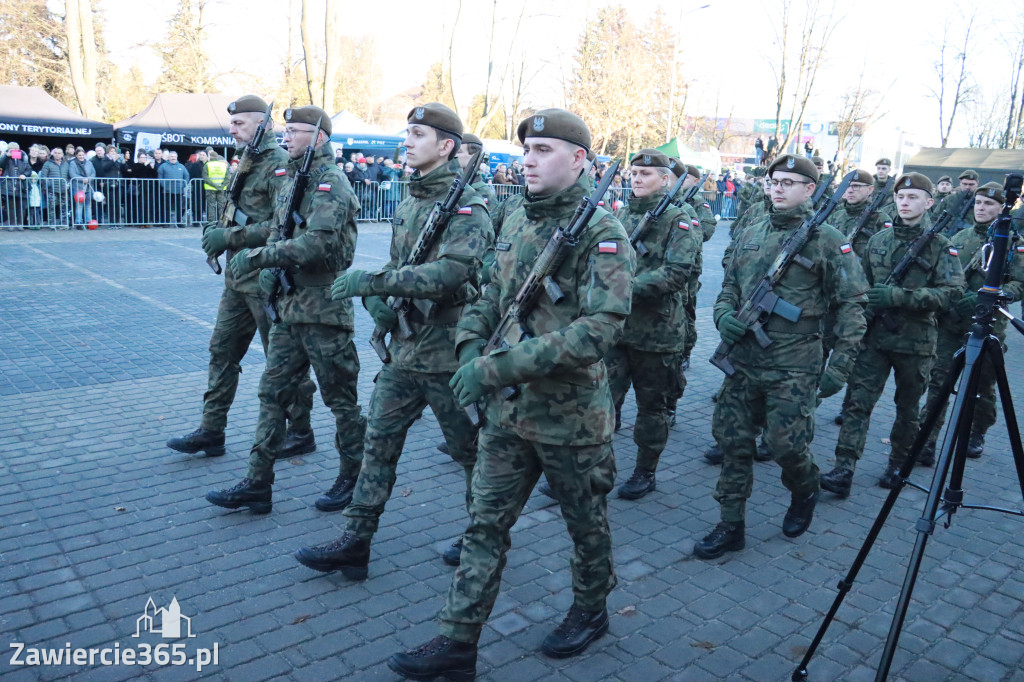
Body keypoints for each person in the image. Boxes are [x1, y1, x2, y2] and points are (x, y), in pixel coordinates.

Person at [388, 109, 634, 680]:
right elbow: (488, 293)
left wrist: (497, 368)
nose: (528, 159)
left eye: (544, 149)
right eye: (526, 148)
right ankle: (457, 642)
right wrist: (471, 346)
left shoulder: (604, 233)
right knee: (484, 524)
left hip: (569, 417)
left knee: (586, 524)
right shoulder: (517, 216)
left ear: (579, 160)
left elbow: (599, 331)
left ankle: (591, 608)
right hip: (506, 415)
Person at [293, 102, 493, 577]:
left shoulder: (470, 206)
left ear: (446, 146)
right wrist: (377, 296)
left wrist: (375, 284)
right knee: (378, 442)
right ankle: (356, 540)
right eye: (407, 132)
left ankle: (484, 536)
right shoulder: (411, 200)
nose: (407, 141)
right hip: (405, 353)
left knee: (472, 453)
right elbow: (402, 267)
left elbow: (451, 274)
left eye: (418, 134)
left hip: (448, 354)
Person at [694, 154, 869, 560]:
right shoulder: (752, 231)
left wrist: (839, 368)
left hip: (796, 363)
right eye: (774, 181)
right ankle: (730, 523)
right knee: (733, 442)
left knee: (785, 446)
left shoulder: (828, 240)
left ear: (810, 190)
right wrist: (722, 315)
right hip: (744, 360)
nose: (777, 188)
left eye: (789, 182)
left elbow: (852, 307)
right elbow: (731, 288)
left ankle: (805, 487)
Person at [206, 105, 365, 515]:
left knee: (340, 400)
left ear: (320, 138)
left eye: (296, 131)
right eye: (287, 130)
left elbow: (317, 245)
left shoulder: (330, 183)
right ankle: (258, 482)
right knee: (272, 394)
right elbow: (279, 230)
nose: (287, 137)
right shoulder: (296, 177)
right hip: (289, 306)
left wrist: (259, 257)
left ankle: (354, 477)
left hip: (324, 310)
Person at [168, 95, 317, 463]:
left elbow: (283, 226)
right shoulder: (247, 160)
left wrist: (230, 237)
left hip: (266, 280)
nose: (232, 129)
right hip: (237, 279)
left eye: (240, 124)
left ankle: (300, 430)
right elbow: (238, 210)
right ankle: (211, 429)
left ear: (261, 125)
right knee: (222, 351)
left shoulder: (280, 165)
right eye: (232, 123)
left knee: (282, 364)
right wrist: (218, 229)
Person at [822, 172, 963, 496]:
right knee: (857, 403)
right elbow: (862, 288)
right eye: (900, 196)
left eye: (913, 197)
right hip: (875, 340)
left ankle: (899, 464)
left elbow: (951, 294)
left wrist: (900, 297)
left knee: (908, 408)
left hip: (916, 342)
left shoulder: (942, 246)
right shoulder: (878, 241)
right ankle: (844, 469)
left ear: (929, 202)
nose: (905, 202)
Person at [606, 149, 699, 500]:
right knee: (601, 402)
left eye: (646, 174)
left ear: (665, 180)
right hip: (616, 329)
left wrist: (624, 288)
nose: (637, 178)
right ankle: (591, 468)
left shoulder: (679, 219)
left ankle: (645, 471)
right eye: (634, 173)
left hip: (657, 333)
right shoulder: (620, 215)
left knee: (652, 409)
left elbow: (677, 273)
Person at [918, 181, 1024, 463]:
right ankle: (927, 439)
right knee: (938, 382)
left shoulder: (1014, 245)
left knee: (982, 385)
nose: (981, 208)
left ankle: (978, 431)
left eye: (989, 204)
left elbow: (1019, 283)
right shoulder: (960, 237)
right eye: (978, 202)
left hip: (987, 326)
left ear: (1003, 208)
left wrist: (995, 296)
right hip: (951, 324)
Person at [671, 160, 715, 369]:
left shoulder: (696, 203)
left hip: (690, 267)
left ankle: (685, 350)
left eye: (685, 177)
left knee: (687, 310)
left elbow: (704, 231)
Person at [456, 133, 497, 208]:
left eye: (458, 152)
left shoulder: (484, 192)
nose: (454, 155)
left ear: (475, 156)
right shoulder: (446, 184)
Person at [935, 169, 980, 236]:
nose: (967, 187)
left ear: (977, 183)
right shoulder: (949, 199)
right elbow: (934, 218)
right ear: (960, 183)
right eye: (965, 184)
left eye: (971, 184)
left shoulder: (981, 200)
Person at [157, 151, 190, 227]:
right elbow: (160, 177)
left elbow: (186, 176)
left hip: (179, 191)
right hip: (167, 191)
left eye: (174, 157)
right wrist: (164, 185)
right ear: (168, 157)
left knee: (179, 207)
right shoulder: (163, 166)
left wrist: (183, 185)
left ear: (177, 157)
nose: (173, 158)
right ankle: (166, 222)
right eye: (171, 156)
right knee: (166, 207)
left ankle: (179, 222)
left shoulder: (182, 166)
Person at [67, 146, 96, 228]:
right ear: (76, 155)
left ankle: (88, 222)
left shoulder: (89, 163)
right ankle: (78, 222)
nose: (81, 157)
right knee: (79, 205)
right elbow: (72, 174)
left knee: (88, 205)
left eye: (83, 155)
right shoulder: (72, 163)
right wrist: (83, 179)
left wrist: (89, 179)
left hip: (88, 187)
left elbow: (93, 173)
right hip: (78, 187)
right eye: (79, 155)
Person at [40, 147, 69, 227]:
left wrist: (68, 184)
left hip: (63, 189)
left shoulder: (66, 164)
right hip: (51, 190)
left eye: (59, 153)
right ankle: (52, 224)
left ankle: (64, 224)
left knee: (64, 208)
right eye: (55, 153)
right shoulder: (47, 163)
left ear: (62, 154)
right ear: (53, 154)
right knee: (51, 208)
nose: (57, 155)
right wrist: (48, 185)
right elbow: (43, 176)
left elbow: (68, 176)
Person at [202, 150, 230, 222]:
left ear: (210, 157)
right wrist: (221, 186)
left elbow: (206, 177)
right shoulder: (223, 165)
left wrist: (215, 186)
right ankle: (222, 222)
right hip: (221, 189)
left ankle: (211, 222)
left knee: (211, 206)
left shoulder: (207, 165)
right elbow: (227, 178)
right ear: (217, 157)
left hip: (210, 189)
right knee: (222, 206)